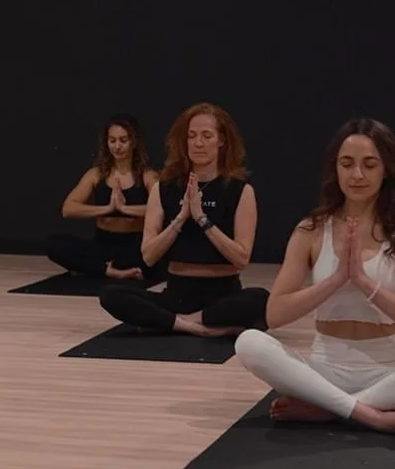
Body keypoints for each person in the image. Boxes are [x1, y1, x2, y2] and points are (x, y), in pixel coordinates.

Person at [235, 118, 395, 436]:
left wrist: (364, 283)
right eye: (347, 164)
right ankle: (370, 415)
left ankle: (329, 409)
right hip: (323, 368)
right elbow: (275, 315)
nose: (357, 175)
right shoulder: (310, 230)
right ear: (336, 170)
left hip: (389, 372)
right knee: (249, 343)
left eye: (369, 165)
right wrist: (336, 280)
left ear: (386, 170)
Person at [98, 103, 269, 336]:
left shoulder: (241, 190)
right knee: (112, 295)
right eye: (192, 136)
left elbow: (241, 258)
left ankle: (181, 322)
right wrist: (180, 218)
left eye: (207, 136)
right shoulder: (163, 188)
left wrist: (201, 219)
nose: (198, 143)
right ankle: (194, 326)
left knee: (261, 299)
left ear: (221, 141)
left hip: (223, 295)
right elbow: (148, 255)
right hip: (177, 295)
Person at [45, 114, 161, 281]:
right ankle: (110, 271)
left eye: (123, 140)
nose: (117, 146)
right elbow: (68, 209)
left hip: (135, 244)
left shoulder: (148, 176)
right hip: (103, 243)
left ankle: (103, 268)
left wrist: (124, 209)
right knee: (54, 244)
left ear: (134, 142)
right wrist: (108, 209)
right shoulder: (96, 174)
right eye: (112, 140)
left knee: (155, 257)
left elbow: (163, 208)